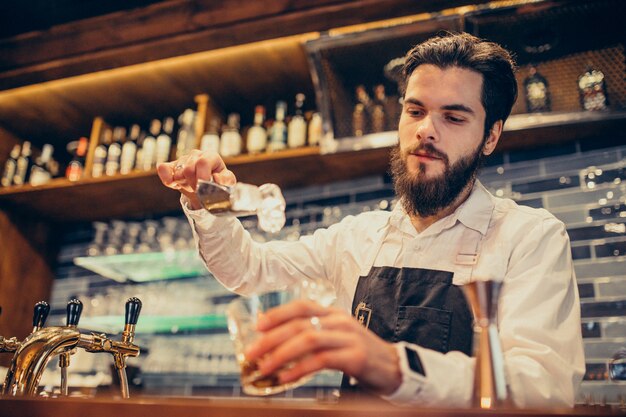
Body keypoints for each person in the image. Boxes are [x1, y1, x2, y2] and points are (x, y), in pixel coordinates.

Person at [157, 32, 585, 408]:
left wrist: (390, 364)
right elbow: (247, 271)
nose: (426, 131)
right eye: (415, 111)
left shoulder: (529, 238)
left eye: (453, 117)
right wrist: (205, 204)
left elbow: (541, 389)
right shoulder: (357, 236)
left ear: (491, 135)